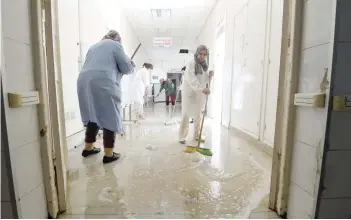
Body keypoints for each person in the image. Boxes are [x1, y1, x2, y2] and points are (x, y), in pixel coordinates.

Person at [77, 30, 135, 164]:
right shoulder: (115, 45)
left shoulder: (93, 47)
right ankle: (109, 154)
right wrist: (131, 64)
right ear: (118, 39)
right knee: (109, 114)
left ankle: (88, 148)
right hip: (102, 81)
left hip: (83, 81)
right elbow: (126, 68)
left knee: (93, 114)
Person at [179, 45, 214, 144]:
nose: (202, 56)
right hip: (189, 92)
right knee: (186, 113)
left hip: (199, 92)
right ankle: (182, 136)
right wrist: (202, 88)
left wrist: (210, 74)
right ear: (197, 53)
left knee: (198, 114)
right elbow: (192, 79)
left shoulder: (204, 66)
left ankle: (197, 135)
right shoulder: (191, 63)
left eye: (204, 54)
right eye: (200, 54)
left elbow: (205, 79)